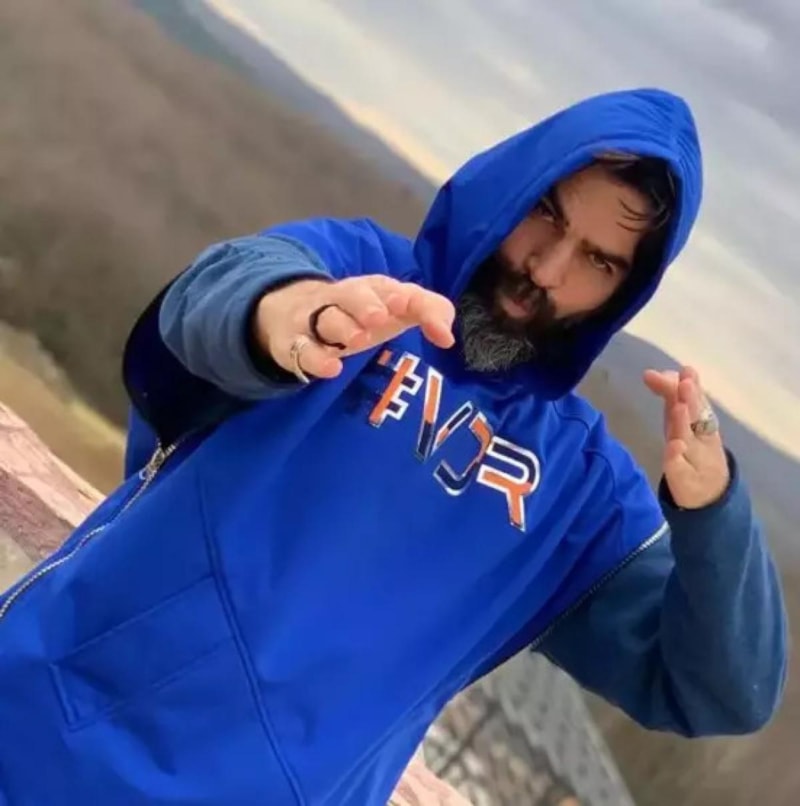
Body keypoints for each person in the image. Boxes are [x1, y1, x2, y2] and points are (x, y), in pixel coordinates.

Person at [0, 88, 787, 805]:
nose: (547, 269)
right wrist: (288, 318)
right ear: (513, 185)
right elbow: (215, 299)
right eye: (546, 214)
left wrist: (713, 512)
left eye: (598, 260)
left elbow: (726, 689)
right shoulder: (359, 273)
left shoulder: (579, 494)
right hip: (41, 722)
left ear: (625, 291)